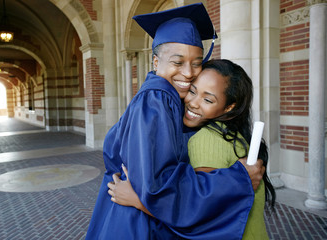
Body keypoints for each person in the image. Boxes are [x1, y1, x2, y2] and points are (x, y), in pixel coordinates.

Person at [85, 3, 265, 239]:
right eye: (178, 62)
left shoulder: (168, 98)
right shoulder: (157, 98)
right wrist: (237, 180)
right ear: (156, 62)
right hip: (137, 223)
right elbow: (160, 188)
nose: (189, 73)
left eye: (197, 62)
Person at [108, 59, 276, 239]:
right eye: (193, 91)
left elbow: (203, 213)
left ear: (229, 107)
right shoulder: (234, 136)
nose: (193, 103)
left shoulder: (206, 140)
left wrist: (138, 201)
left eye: (208, 99)